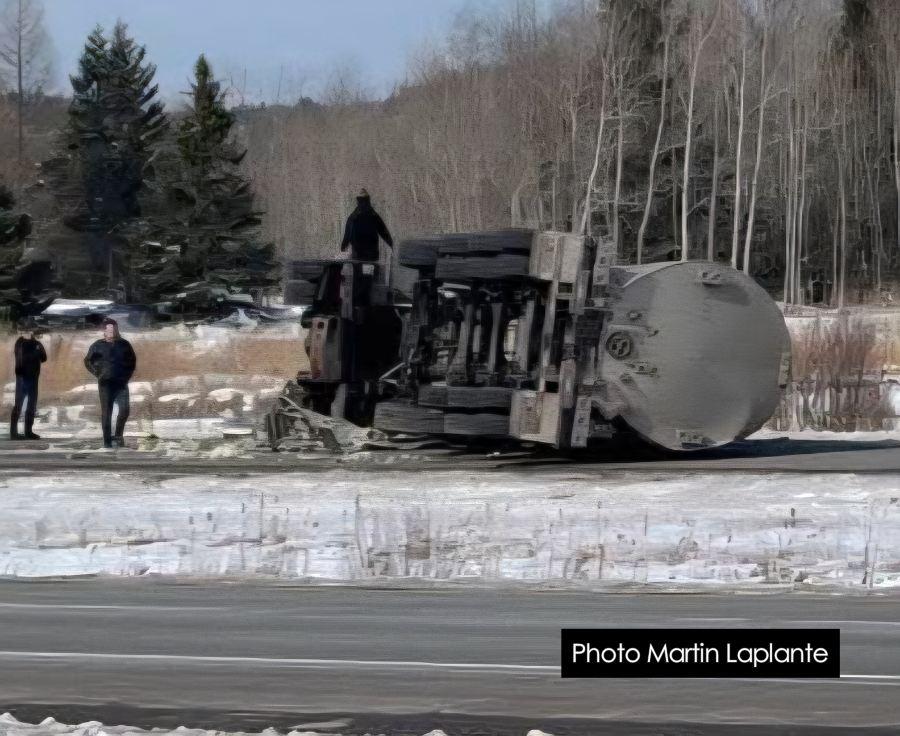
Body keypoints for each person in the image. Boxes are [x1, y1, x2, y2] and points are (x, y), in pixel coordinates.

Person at [83, 318, 137, 449]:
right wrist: (97, 372)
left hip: (121, 383)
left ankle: (118, 436)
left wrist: (126, 376)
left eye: (113, 330)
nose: (111, 332)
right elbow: (87, 361)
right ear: (104, 331)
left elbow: (132, 361)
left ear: (116, 330)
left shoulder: (124, 344)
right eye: (108, 330)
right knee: (107, 413)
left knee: (125, 410)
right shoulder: (97, 345)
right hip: (105, 384)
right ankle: (107, 441)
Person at [10, 318, 47, 440]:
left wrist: (38, 349)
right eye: (25, 330)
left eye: (29, 330)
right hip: (22, 378)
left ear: (32, 331)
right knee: (18, 405)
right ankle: (13, 433)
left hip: (33, 378)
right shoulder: (20, 343)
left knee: (31, 406)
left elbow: (44, 358)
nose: (27, 333)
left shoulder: (37, 344)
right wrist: (36, 351)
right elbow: (21, 359)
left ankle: (28, 431)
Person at [340, 188, 394, 263]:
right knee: (373, 268)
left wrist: (343, 247)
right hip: (372, 255)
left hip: (358, 255)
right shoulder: (374, 215)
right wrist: (391, 244)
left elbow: (347, 235)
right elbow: (383, 232)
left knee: (357, 267)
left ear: (358, 201)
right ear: (368, 200)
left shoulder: (353, 217)